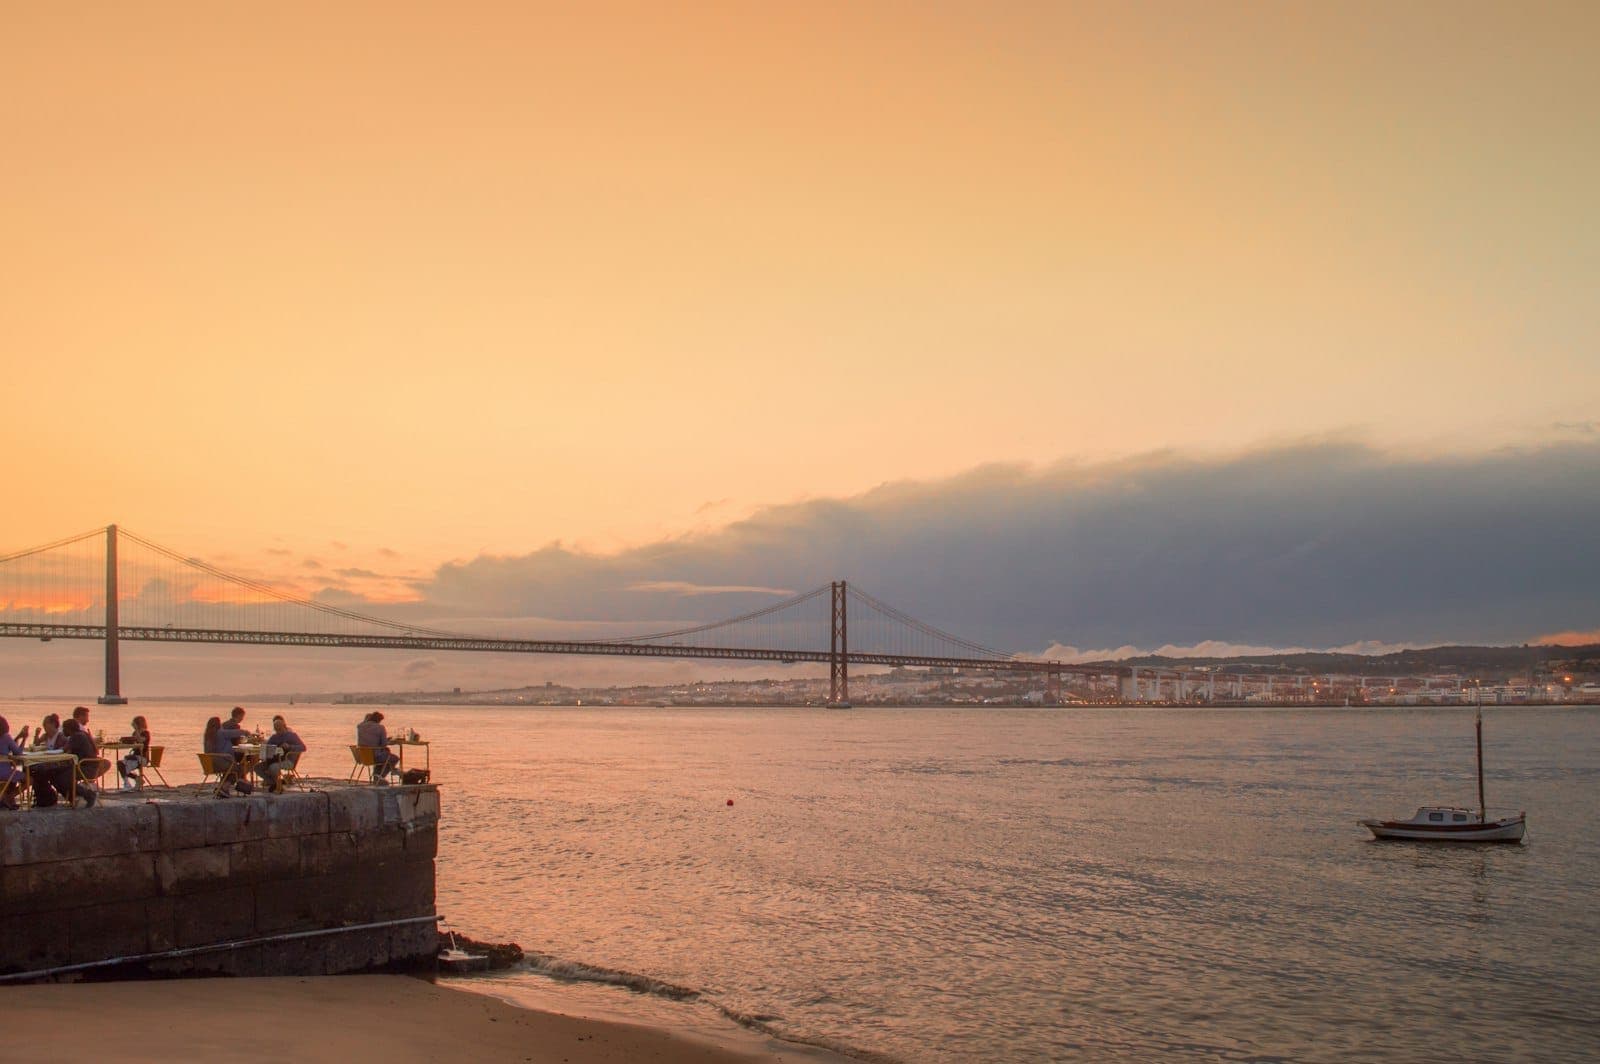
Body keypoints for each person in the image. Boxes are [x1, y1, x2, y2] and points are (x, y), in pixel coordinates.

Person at [33, 719, 96, 808]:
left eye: (64, 728)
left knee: (62, 778)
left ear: (69, 729)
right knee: (54, 775)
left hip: (86, 767)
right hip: (83, 765)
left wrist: (49, 753)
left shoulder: (77, 736)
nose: (63, 731)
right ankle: (72, 798)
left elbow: (64, 750)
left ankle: (88, 794)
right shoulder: (80, 734)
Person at [204, 716, 253, 797]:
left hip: (210, 764)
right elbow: (235, 732)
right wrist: (246, 732)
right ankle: (225, 788)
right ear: (218, 725)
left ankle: (221, 787)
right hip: (220, 762)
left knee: (232, 767)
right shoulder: (221, 733)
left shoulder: (207, 735)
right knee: (238, 769)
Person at [256, 715, 307, 794]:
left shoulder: (292, 736)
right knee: (257, 768)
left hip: (288, 761)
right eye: (276, 729)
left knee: (273, 767)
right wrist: (263, 747)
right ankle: (275, 783)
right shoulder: (274, 737)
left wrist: (290, 746)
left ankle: (277, 784)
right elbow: (267, 747)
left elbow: (303, 747)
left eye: (279, 728)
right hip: (274, 759)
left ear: (284, 726)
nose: (278, 731)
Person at [356, 711, 399, 782]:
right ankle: (380, 777)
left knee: (384, 755)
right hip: (374, 756)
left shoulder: (360, 726)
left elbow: (370, 739)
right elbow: (384, 744)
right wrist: (388, 741)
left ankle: (376, 776)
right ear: (379, 720)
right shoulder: (380, 727)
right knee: (394, 758)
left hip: (362, 756)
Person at [117, 715, 152, 789]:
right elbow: (134, 744)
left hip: (143, 757)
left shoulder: (146, 733)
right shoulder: (135, 733)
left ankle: (127, 784)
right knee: (120, 763)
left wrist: (137, 731)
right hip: (134, 757)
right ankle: (134, 780)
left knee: (124, 767)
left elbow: (140, 740)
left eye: (134, 723)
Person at [0, 716, 25, 811]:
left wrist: (18, 736)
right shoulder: (6, 737)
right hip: (4, 773)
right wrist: (24, 739)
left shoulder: (6, 738)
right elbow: (18, 753)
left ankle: (6, 797)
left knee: (13, 777)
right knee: (29, 779)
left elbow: (9, 746)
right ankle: (9, 797)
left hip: (5, 773)